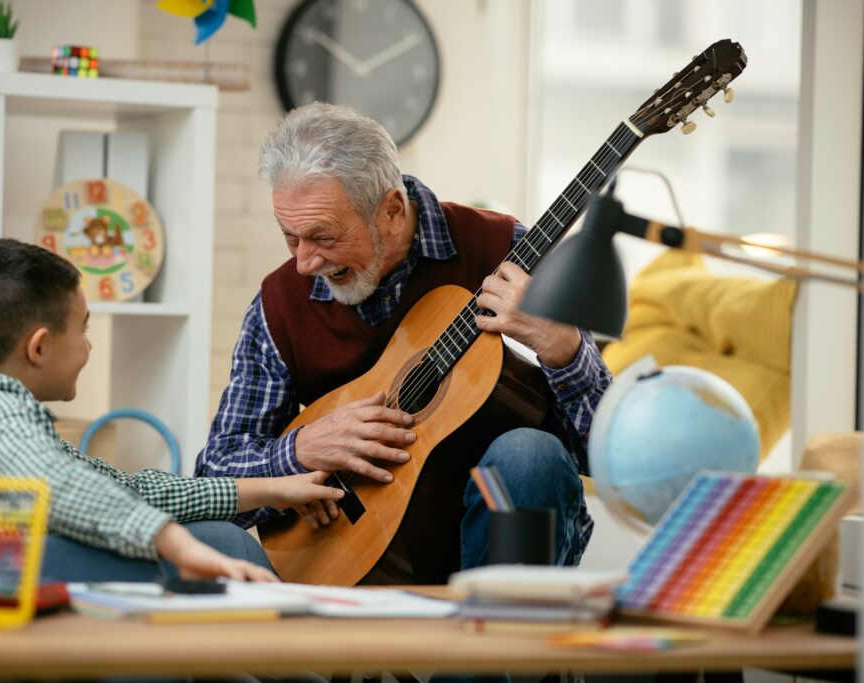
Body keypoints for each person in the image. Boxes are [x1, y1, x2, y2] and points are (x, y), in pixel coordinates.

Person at [196, 103, 612, 583]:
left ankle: (486, 652)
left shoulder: (504, 253)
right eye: (291, 238)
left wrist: (565, 349)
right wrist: (301, 450)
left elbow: (606, 459)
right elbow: (214, 480)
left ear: (391, 210)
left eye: (322, 237)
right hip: (358, 555)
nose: (305, 263)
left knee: (530, 455)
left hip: (499, 544)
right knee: (204, 535)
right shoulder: (279, 303)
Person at [0, 238, 345, 582]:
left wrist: (274, 488)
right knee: (219, 546)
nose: (89, 345)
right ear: (40, 346)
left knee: (219, 540)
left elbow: (126, 489)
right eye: (83, 329)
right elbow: (62, 488)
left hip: (14, 588)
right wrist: (177, 545)